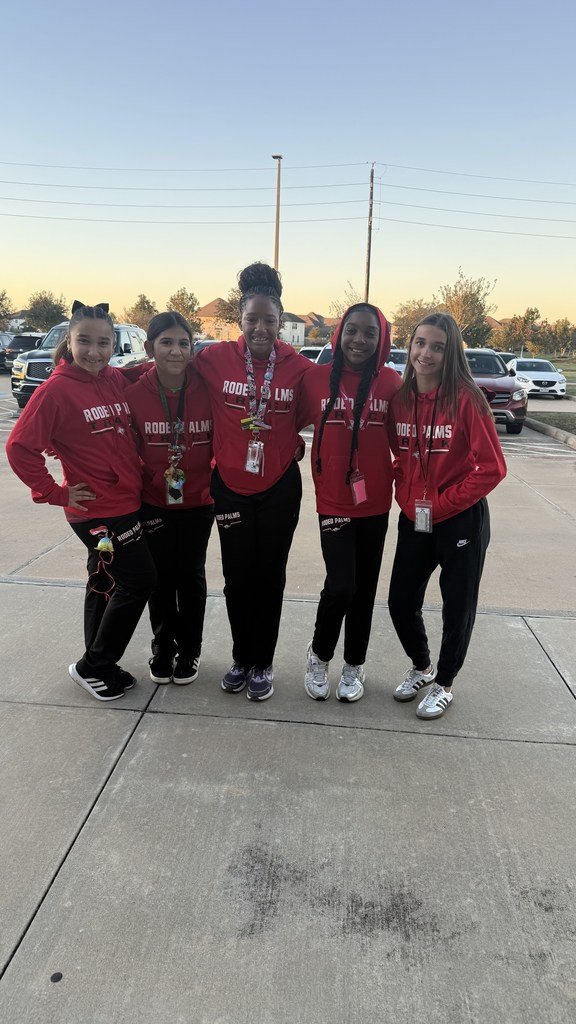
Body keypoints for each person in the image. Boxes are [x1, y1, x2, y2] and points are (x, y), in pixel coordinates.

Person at [6, 301, 156, 701]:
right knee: (140, 579)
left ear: (113, 344)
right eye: (84, 341)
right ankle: (93, 665)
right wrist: (55, 492)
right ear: (69, 342)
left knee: (103, 584)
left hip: (125, 501)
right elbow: (20, 448)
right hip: (97, 512)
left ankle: (99, 662)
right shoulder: (54, 391)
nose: (94, 350)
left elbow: (140, 372)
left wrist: (176, 355)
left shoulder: (111, 379)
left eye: (103, 342)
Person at [194, 262, 313, 701]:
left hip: (280, 488)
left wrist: (292, 444)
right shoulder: (212, 359)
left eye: (269, 320)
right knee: (235, 578)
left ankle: (262, 664)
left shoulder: (299, 368)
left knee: (271, 578)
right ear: (239, 321)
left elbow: (318, 411)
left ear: (281, 322)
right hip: (228, 487)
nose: (260, 328)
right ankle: (241, 658)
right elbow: (156, 371)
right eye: (251, 319)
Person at [387, 313, 507, 719]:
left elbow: (492, 468)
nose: (426, 353)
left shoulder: (466, 400)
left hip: (460, 519)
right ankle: (423, 667)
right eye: (420, 343)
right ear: (411, 347)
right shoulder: (400, 400)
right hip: (415, 516)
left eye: (437, 346)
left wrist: (443, 504)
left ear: (450, 352)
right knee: (400, 601)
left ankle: (445, 682)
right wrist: (406, 495)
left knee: (457, 606)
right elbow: (400, 458)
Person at [299, 303, 401, 702]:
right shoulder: (315, 378)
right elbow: (287, 422)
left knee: (364, 589)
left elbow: (406, 441)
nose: (359, 340)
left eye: (369, 333)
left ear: (381, 340)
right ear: (340, 334)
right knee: (341, 585)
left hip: (376, 503)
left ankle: (354, 665)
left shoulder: (392, 383)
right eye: (352, 331)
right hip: (334, 502)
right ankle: (319, 656)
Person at [124, 312, 214, 686]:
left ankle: (190, 649)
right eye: (166, 342)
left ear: (192, 349)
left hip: (199, 501)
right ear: (149, 348)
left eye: (183, 343)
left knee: (190, 576)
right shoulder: (133, 394)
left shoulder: (208, 390)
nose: (176, 351)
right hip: (154, 502)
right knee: (160, 579)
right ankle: (163, 647)